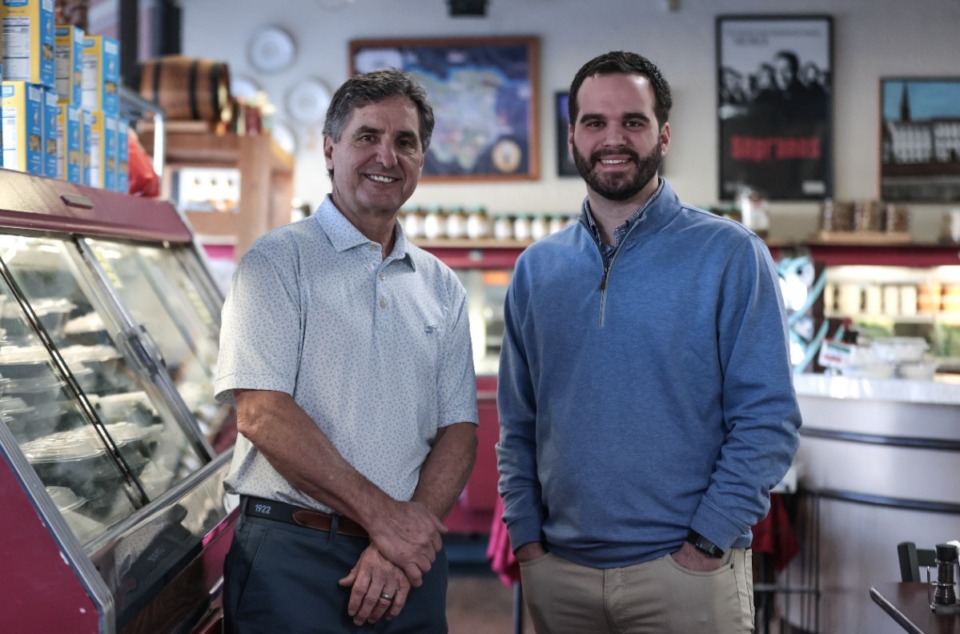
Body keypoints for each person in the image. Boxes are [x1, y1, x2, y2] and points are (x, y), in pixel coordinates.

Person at [496, 51, 802, 633]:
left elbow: (768, 419)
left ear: (663, 134)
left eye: (632, 122)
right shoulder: (536, 269)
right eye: (595, 123)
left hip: (688, 579)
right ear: (572, 137)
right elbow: (519, 425)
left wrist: (707, 543)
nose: (614, 139)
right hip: (561, 576)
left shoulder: (731, 255)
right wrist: (528, 541)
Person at [215, 69, 478, 633]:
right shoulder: (276, 263)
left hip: (408, 563)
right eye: (368, 137)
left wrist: (398, 541)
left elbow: (459, 431)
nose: (388, 155)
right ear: (330, 150)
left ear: (421, 159)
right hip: (294, 558)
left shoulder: (441, 286)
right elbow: (262, 413)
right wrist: (386, 521)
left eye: (405, 142)